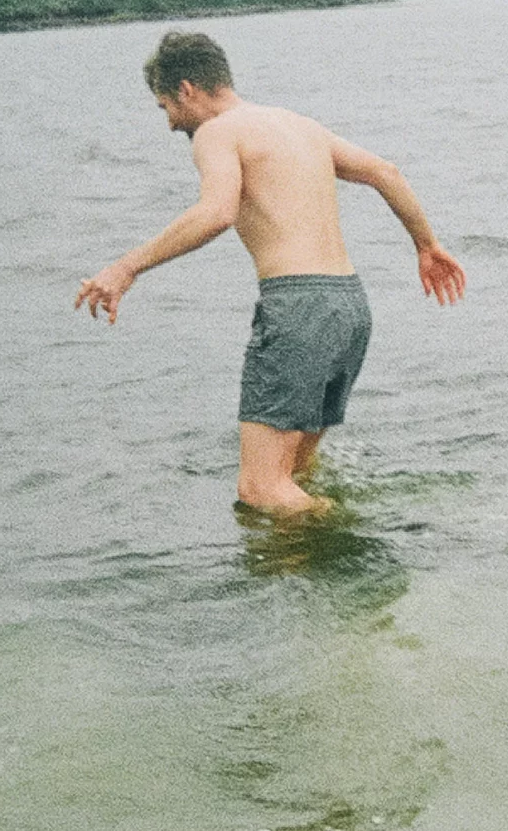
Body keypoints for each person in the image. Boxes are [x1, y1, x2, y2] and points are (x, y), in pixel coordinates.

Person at [75, 30, 466, 516]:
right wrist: (427, 245)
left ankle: (366, 531)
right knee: (294, 474)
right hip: (348, 305)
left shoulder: (218, 132)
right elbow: (385, 171)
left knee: (260, 489)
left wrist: (126, 266)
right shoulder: (299, 125)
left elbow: (216, 213)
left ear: (187, 89)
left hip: (298, 306)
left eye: (165, 107)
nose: (172, 124)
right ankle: (312, 577)